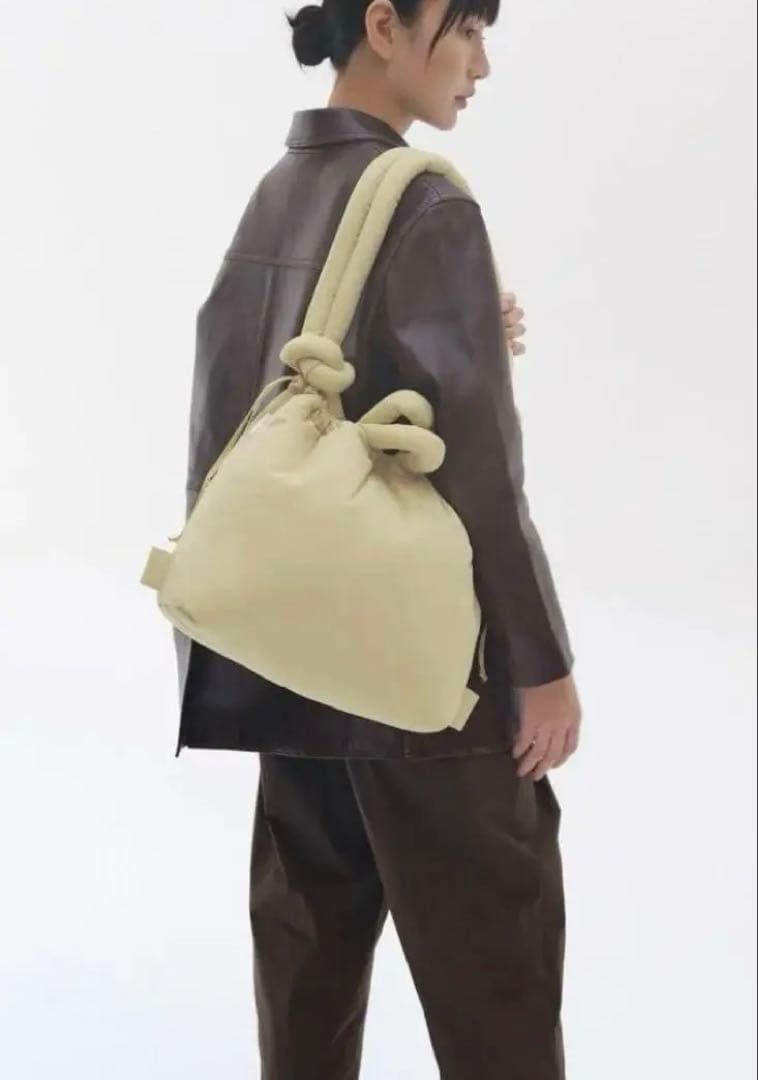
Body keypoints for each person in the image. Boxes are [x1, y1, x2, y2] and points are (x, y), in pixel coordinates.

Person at [174, 1, 582, 1075]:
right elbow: (480, 469)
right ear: (387, 26)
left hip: (294, 665)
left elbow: (240, 406)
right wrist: (540, 664)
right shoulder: (427, 203)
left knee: (304, 987)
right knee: (498, 987)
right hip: (421, 686)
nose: (480, 64)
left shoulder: (278, 190)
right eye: (466, 29)